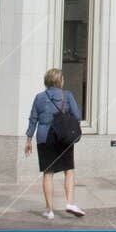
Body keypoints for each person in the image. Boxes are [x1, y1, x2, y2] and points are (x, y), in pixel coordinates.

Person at [24, 68, 85, 220]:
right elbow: (77, 116)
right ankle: (70, 203)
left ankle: (49, 210)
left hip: (44, 137)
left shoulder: (39, 97)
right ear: (60, 81)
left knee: (48, 173)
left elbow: (33, 119)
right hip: (63, 137)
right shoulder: (67, 95)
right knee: (69, 170)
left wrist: (28, 140)